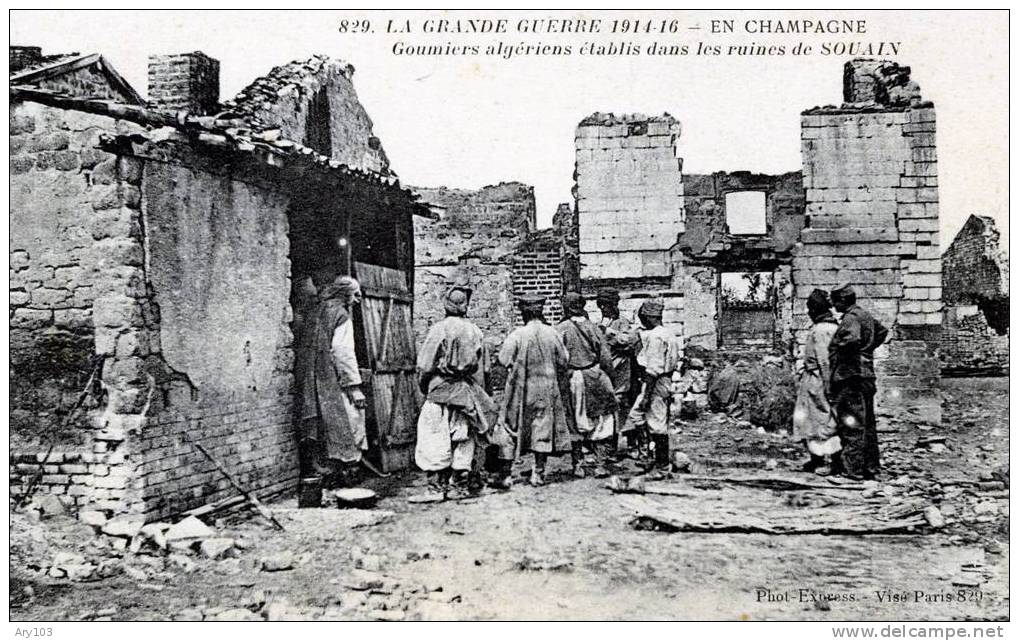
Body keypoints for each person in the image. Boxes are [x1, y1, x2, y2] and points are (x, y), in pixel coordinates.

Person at [415, 280, 498, 500]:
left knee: (433, 435)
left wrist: (425, 386)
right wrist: (480, 394)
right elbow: (485, 369)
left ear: (446, 305)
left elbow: (424, 366)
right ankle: (459, 485)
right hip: (466, 390)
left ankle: (435, 487)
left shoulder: (438, 330)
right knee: (464, 434)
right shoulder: (475, 331)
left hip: (440, 390)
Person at [494, 294, 573, 487]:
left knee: (511, 427)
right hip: (546, 389)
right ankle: (537, 473)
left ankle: (506, 475)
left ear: (523, 312)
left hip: (521, 390)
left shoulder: (517, 335)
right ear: (541, 311)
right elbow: (564, 360)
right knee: (542, 428)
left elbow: (503, 361)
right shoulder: (552, 333)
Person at [296, 276, 368, 486]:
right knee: (348, 419)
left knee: (317, 421)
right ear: (345, 294)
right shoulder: (341, 314)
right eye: (355, 295)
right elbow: (343, 353)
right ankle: (344, 471)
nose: (357, 299)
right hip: (329, 376)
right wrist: (354, 386)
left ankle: (322, 471)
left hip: (310, 373)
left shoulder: (316, 309)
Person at [828, 284, 889, 480]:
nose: (833, 305)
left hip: (851, 376)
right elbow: (882, 332)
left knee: (851, 422)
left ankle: (852, 471)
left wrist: (843, 355)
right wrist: (867, 350)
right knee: (868, 424)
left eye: (835, 301)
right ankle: (871, 468)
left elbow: (852, 340)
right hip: (867, 375)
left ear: (843, 301)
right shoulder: (865, 315)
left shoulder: (850, 318)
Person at [555, 292, 618, 478]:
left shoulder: (561, 329)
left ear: (565, 307)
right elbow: (605, 357)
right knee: (600, 420)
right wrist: (608, 378)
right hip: (594, 375)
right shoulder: (593, 328)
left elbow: (558, 359)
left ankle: (578, 465)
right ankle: (600, 465)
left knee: (574, 420)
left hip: (572, 377)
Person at [626, 299, 684, 475]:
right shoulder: (669, 334)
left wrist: (645, 396)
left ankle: (661, 465)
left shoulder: (655, 337)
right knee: (637, 416)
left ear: (650, 317)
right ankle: (649, 454)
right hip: (663, 381)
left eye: (643, 317)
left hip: (656, 382)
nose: (642, 321)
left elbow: (652, 370)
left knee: (657, 424)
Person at [792, 289, 841, 473]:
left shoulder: (823, 330)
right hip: (814, 378)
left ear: (817, 310)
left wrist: (828, 387)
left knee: (823, 420)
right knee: (811, 421)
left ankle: (833, 461)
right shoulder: (825, 327)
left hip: (819, 381)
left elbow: (825, 361)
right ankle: (816, 458)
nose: (809, 314)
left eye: (811, 309)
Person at [595, 288, 640, 453]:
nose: (610, 308)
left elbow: (628, 341)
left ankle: (632, 444)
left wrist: (608, 334)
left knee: (623, 407)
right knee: (608, 409)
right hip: (606, 372)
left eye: (612, 304)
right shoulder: (599, 325)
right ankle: (610, 445)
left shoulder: (623, 323)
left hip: (622, 372)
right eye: (605, 306)